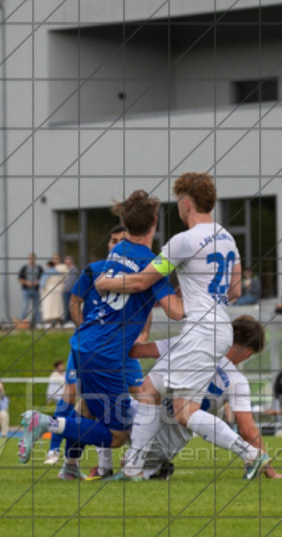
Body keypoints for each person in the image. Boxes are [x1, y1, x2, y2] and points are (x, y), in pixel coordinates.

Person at [93, 172, 271, 481]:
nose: (178, 208)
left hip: (201, 331)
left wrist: (105, 282)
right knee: (150, 389)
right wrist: (199, 292)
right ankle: (133, 468)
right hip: (215, 327)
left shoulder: (184, 241)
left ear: (186, 203)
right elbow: (236, 290)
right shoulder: (227, 238)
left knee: (184, 411)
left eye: (178, 203)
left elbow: (141, 281)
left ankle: (251, 454)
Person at [18, 191, 185, 480]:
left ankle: (70, 467)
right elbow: (175, 312)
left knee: (87, 406)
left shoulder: (113, 255)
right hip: (107, 354)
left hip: (85, 345)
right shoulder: (154, 264)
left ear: (123, 223)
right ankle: (45, 423)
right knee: (116, 435)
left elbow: (79, 300)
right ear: (155, 222)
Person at [124, 316, 282, 479]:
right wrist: (270, 472)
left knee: (106, 406)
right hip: (166, 446)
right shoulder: (237, 381)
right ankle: (152, 467)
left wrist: (133, 329)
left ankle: (115, 466)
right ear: (247, 353)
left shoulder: (189, 344)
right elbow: (247, 430)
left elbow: (135, 350)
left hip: (137, 425)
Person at [42, 226, 130, 469]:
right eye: (113, 240)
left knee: (94, 407)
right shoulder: (94, 271)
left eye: (122, 241)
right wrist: (85, 332)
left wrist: (140, 336)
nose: (116, 245)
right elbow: (74, 302)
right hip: (89, 350)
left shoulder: (135, 274)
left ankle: (87, 466)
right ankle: (55, 450)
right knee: (72, 396)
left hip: (116, 351)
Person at [17, 253, 43, 327]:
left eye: (33, 258)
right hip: (26, 290)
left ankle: (38, 324)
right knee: (25, 306)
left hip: (36, 290)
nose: (31, 260)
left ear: (35, 259)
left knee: (37, 307)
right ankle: (22, 323)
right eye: (30, 258)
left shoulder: (39, 268)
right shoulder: (24, 268)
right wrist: (26, 282)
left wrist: (37, 282)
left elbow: (43, 278)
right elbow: (20, 279)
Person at [60, 256, 79, 325]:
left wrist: (66, 288)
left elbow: (71, 281)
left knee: (69, 305)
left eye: (66, 261)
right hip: (67, 290)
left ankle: (70, 320)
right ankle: (67, 319)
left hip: (69, 290)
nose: (65, 263)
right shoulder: (67, 269)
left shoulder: (74, 269)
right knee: (66, 305)